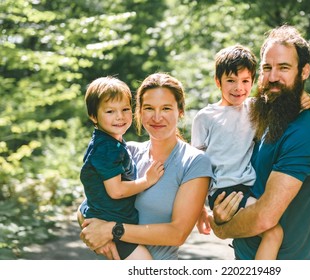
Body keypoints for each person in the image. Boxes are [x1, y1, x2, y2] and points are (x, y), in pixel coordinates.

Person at [208, 25, 310, 260]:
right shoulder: (265, 117)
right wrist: (223, 212)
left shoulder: (304, 133)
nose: (273, 77)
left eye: (283, 68)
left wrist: (220, 228)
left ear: (304, 72)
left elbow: (265, 217)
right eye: (267, 68)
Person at [79, 73, 213, 260]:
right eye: (149, 108)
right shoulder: (128, 153)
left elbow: (177, 234)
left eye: (166, 108)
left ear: (180, 111)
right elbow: (87, 207)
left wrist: (113, 231)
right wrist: (100, 240)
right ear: (139, 111)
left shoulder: (195, 162)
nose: (157, 117)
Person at [79, 76, 165, 260]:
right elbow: (116, 191)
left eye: (125, 109)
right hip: (112, 225)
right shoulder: (107, 149)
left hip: (112, 221)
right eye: (110, 111)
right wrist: (147, 180)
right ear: (93, 116)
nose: (120, 116)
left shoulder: (109, 141)